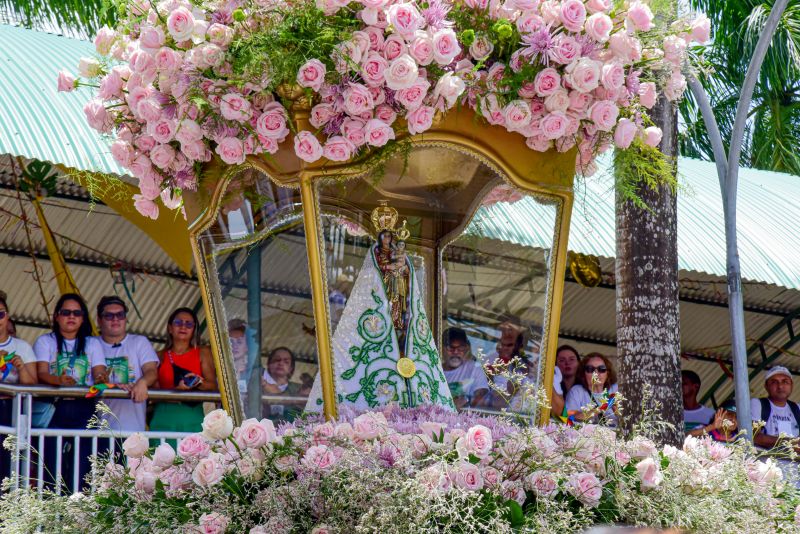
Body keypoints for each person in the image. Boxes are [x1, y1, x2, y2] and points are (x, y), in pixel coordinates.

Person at [33, 293, 107, 490]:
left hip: (84, 407)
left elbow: (100, 373)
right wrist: (59, 381)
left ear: (83, 318)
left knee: (84, 465)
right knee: (50, 465)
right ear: (57, 316)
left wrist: (101, 379)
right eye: (66, 312)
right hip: (55, 406)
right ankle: (50, 510)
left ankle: (78, 510)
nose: (71, 316)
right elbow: (41, 373)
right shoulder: (45, 341)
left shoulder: (92, 343)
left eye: (77, 312)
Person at [93, 296, 159, 432]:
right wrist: (112, 386)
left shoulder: (139, 342)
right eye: (109, 316)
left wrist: (142, 382)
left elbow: (152, 371)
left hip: (133, 430)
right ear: (99, 320)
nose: (115, 319)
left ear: (126, 318)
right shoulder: (91, 344)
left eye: (120, 315)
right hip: (97, 430)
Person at [149, 308, 217, 435]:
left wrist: (197, 382)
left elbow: (213, 386)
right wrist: (177, 391)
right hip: (163, 416)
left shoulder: (202, 353)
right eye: (178, 323)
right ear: (170, 328)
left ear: (194, 330)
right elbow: (153, 393)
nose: (183, 327)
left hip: (192, 416)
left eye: (189, 324)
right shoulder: (159, 356)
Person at [0, 292, 37, 481]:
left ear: (8, 315)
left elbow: (32, 385)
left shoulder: (22, 347)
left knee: (10, 464)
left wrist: (21, 367)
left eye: (1, 314)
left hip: (13, 411)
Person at [751, 366, 800, 450]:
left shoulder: (797, 408)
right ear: (766, 386)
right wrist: (790, 442)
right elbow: (754, 436)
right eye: (774, 382)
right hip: (766, 460)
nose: (780, 386)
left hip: (794, 461)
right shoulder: (758, 404)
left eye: (785, 382)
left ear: (792, 385)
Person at [441, 328, 489, 410]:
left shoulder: (474, 368)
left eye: (460, 348)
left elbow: (481, 397)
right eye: (450, 347)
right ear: (441, 348)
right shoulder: (435, 370)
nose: (456, 352)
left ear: (466, 348)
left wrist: (467, 402)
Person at [565, 353, 618, 425]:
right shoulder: (577, 391)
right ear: (583, 373)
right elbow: (569, 417)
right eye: (590, 369)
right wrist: (601, 408)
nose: (596, 373)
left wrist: (618, 411)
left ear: (607, 373)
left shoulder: (616, 389)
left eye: (601, 369)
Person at [262, 347, 302, 422]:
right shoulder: (257, 386)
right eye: (277, 360)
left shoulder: (299, 389)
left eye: (286, 362)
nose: (281, 363)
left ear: (291, 368)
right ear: (269, 364)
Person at [682, 370, 715, 434]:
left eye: (683, 383)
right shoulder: (672, 414)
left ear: (696, 386)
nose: (678, 386)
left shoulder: (711, 414)